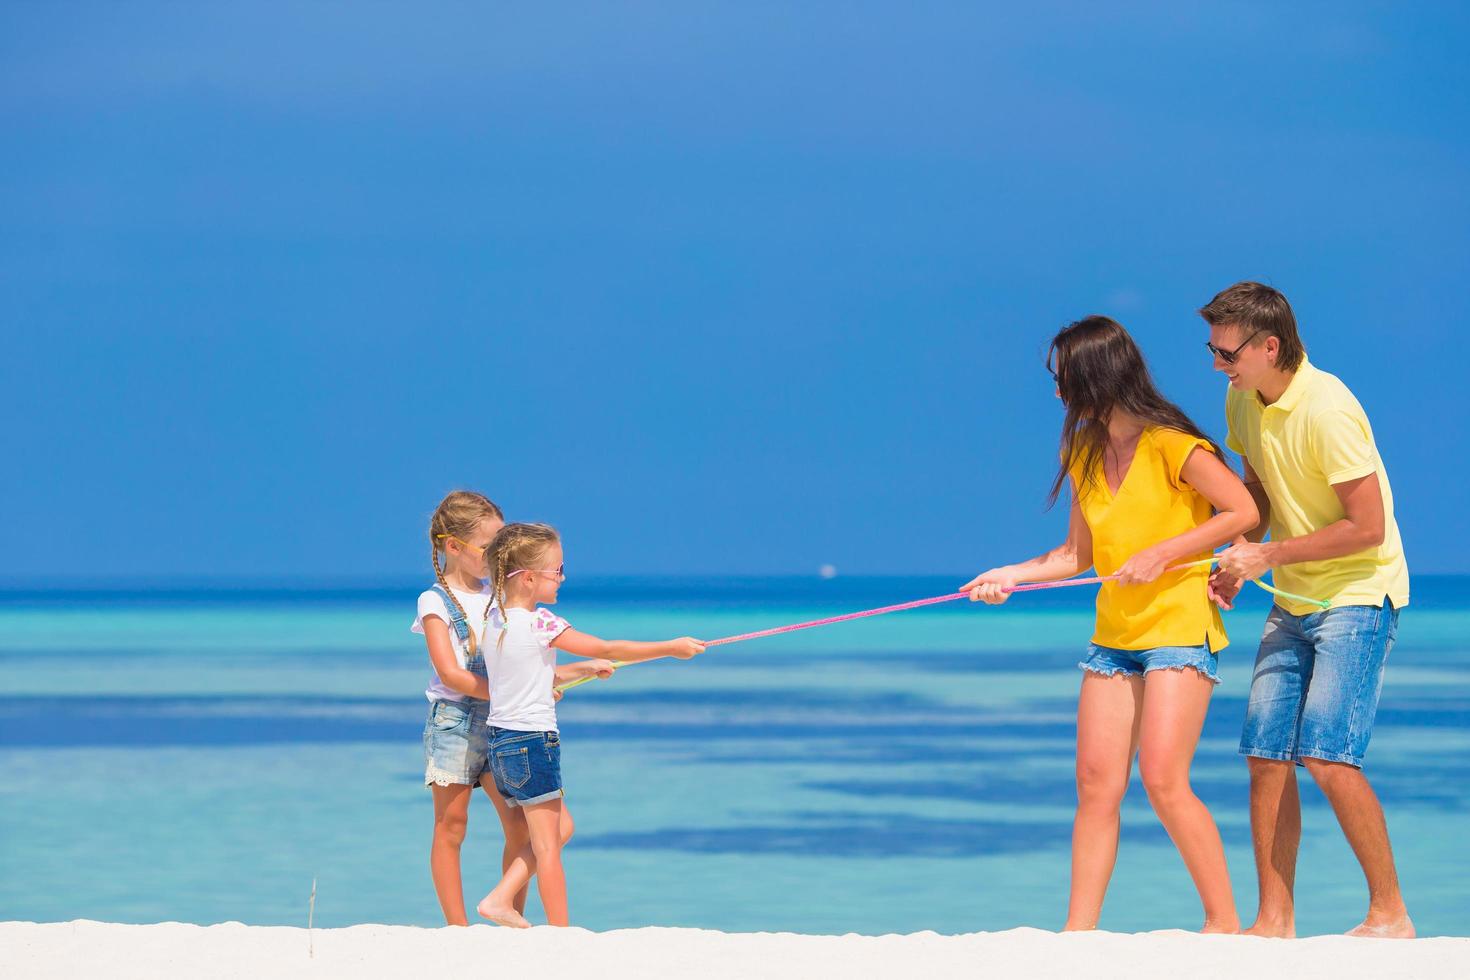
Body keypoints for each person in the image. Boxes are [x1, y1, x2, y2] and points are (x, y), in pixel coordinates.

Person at [964, 316, 1257, 932]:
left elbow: (1242, 511)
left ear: (1098, 376)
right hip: (1114, 640)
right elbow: (1077, 556)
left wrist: (1164, 552)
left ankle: (1225, 925)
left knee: (1163, 779)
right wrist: (1008, 575)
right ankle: (1079, 933)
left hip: (1178, 630)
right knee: (1096, 786)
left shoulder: (1176, 444)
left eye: (1063, 379)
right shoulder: (1084, 451)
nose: (1056, 394)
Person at [1202, 281, 1413, 938]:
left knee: (1326, 755)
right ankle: (1274, 919)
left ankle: (1390, 913)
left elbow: (1369, 525)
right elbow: (1260, 490)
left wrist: (1269, 557)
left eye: (1227, 352)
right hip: (1293, 595)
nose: (1218, 364)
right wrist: (1244, 554)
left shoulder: (1329, 410)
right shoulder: (1242, 399)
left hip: (1357, 592)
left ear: (1270, 346)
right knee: (1266, 754)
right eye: (1211, 350)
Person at [475, 522, 705, 927]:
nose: (562, 578)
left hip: (501, 744)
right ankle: (560, 931)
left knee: (561, 828)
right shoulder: (542, 622)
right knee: (548, 846)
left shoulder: (496, 619)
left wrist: (580, 670)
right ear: (528, 578)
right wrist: (671, 648)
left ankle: (499, 897)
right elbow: (609, 647)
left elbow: (526, 677)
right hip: (532, 741)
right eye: (557, 570)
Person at [416, 492, 605, 925]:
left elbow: (524, 661)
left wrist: (568, 674)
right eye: (489, 546)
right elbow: (452, 675)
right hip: (456, 722)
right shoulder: (434, 602)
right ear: (454, 547)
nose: (498, 554)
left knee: (525, 828)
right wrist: (516, 693)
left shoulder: (500, 597)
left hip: (506, 725)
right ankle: (456, 927)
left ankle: (509, 916)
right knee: (452, 825)